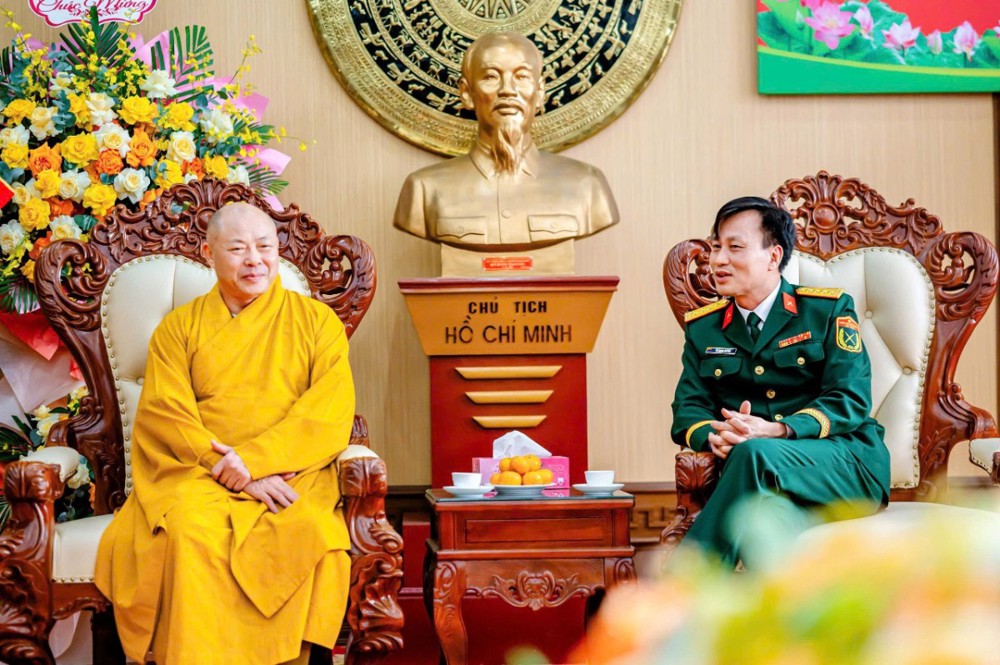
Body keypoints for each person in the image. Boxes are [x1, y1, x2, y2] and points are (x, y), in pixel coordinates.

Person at [94, 202, 356, 665]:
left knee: (305, 528)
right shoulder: (179, 328)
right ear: (208, 253)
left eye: (265, 247)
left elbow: (328, 412)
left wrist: (255, 461)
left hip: (292, 473)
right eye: (237, 249)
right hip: (200, 472)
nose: (254, 260)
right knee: (187, 531)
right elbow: (166, 414)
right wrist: (229, 468)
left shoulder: (318, 323)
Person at [670, 196, 890, 568]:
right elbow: (687, 411)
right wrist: (716, 436)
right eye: (716, 247)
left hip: (845, 465)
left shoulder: (826, 310)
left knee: (753, 452)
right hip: (762, 481)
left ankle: (684, 583)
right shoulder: (704, 328)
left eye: (734, 247)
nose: (718, 260)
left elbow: (850, 398)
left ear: (773, 256)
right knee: (763, 525)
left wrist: (777, 430)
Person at [393, 31, 619, 274]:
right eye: (491, 76)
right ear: (467, 93)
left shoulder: (587, 185)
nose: (508, 90)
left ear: (540, 92)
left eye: (521, 76)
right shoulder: (425, 189)